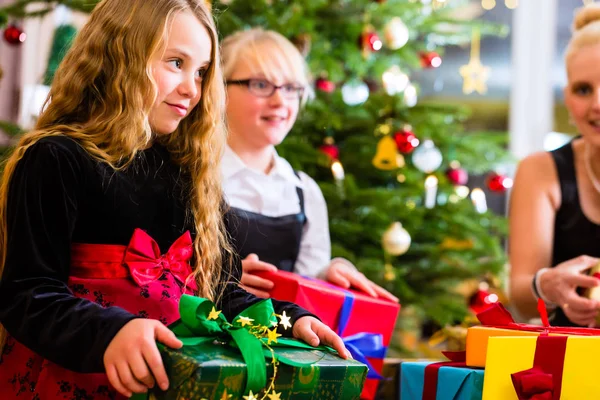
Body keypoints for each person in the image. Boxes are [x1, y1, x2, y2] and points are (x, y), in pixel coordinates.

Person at [0, 2, 350, 399]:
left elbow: (219, 292)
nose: (191, 88)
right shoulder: (56, 157)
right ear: (120, 55)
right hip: (69, 382)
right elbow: (27, 293)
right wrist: (111, 333)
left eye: (201, 72)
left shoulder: (190, 172)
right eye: (175, 63)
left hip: (167, 383)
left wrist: (289, 320)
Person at [220, 28, 398, 302]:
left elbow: (309, 286)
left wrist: (330, 274)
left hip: (283, 342)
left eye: (291, 88)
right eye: (260, 84)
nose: (280, 100)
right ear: (219, 89)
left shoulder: (304, 192)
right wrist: (214, 277)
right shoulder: (194, 177)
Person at [509, 4, 600, 327]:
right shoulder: (540, 171)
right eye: (583, 89)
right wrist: (545, 284)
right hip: (568, 361)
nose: (597, 104)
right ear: (567, 96)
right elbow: (520, 298)